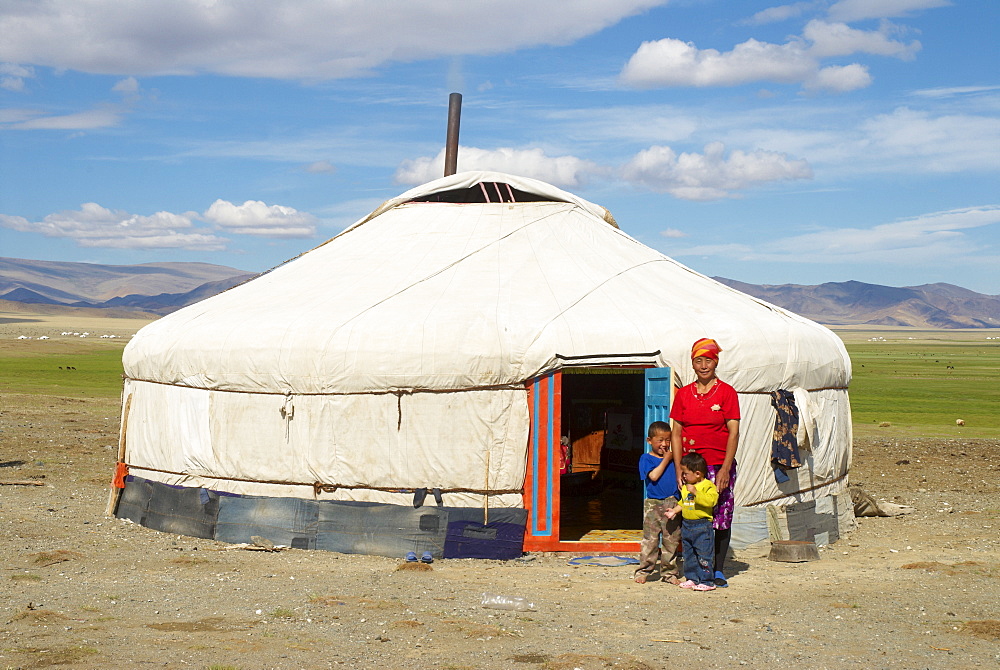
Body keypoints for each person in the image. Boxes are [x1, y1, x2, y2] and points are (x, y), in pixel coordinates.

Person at [670, 337, 740, 587]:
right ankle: (693, 569)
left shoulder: (727, 393)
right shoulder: (684, 395)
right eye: (698, 360)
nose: (703, 365)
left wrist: (725, 469)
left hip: (719, 464)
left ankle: (718, 570)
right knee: (691, 514)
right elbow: (676, 433)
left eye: (708, 360)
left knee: (719, 516)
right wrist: (679, 467)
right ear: (692, 363)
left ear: (715, 362)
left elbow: (734, 432)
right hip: (690, 467)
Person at [633, 421, 681, 584]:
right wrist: (667, 459)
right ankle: (644, 570)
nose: (664, 444)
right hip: (653, 503)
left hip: (672, 503)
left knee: (671, 539)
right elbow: (653, 476)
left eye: (668, 440)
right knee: (650, 539)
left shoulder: (675, 458)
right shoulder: (646, 458)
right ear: (649, 440)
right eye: (660, 440)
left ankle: (669, 573)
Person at [664, 452, 719, 591]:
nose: (683, 476)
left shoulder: (707, 486)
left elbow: (711, 501)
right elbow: (684, 502)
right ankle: (692, 578)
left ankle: (707, 581)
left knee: (703, 554)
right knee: (689, 554)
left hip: (702, 525)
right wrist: (674, 511)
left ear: (698, 473)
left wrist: (696, 492)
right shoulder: (686, 486)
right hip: (687, 525)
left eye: (685, 473)